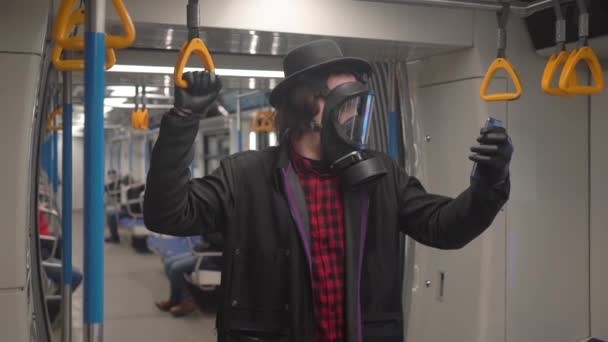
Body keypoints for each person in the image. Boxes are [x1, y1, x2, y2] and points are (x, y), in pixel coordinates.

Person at [144, 39, 513, 342]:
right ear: (308, 102)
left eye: (358, 101)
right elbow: (167, 214)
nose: (354, 112)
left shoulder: (381, 175)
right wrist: (183, 124)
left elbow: (445, 228)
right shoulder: (246, 176)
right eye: (346, 99)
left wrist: (489, 180)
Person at [155, 242, 223, 317]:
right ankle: (177, 300)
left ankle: (184, 301)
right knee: (168, 263)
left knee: (175, 269)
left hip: (214, 258)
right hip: (204, 251)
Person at [104, 169, 127, 243]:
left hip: (123, 207)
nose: (111, 177)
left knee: (111, 214)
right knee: (109, 212)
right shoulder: (109, 185)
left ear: (115, 175)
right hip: (118, 205)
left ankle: (114, 237)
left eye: (113, 175)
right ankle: (113, 236)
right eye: (110, 175)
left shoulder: (120, 183)